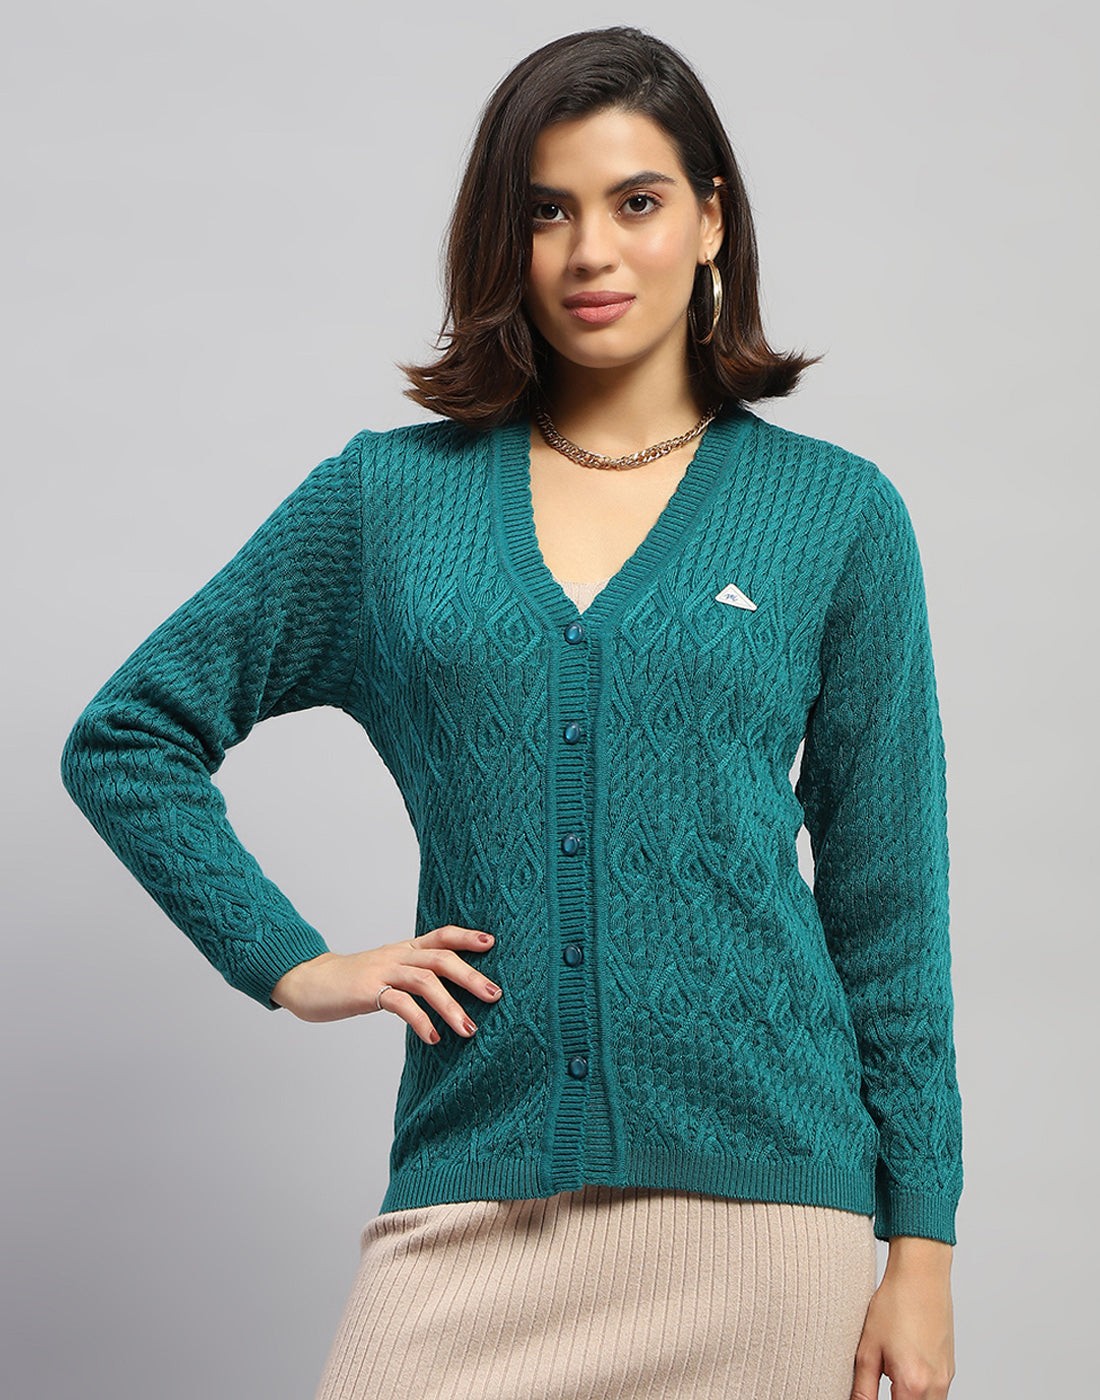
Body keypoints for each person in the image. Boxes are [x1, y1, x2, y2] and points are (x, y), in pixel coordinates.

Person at [59, 25, 963, 1400]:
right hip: (475, 1186)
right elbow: (129, 736)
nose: (591, 251)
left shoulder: (834, 513)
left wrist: (922, 1251)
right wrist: (293, 964)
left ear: (711, 221)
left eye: (636, 202)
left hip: (773, 1218)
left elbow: (889, 908)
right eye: (546, 212)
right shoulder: (391, 500)